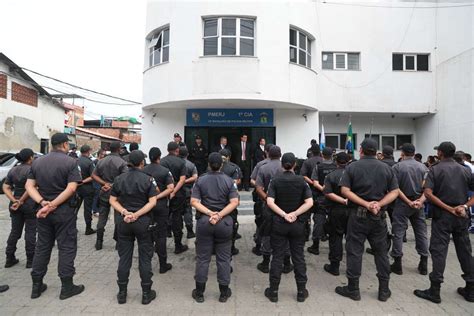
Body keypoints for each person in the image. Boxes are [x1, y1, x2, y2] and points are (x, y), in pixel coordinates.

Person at [336, 138, 399, 302]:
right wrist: (378, 204)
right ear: (375, 151)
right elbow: (395, 192)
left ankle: (353, 289)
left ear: (361, 150)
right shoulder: (386, 168)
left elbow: (344, 190)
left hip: (358, 215)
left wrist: (366, 203)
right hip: (378, 217)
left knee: (355, 251)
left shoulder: (352, 167)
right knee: (381, 253)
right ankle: (384, 290)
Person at [25, 133, 85, 300]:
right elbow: (72, 188)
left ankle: (36, 286)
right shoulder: (71, 162)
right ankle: (67, 287)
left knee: (43, 246)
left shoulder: (37, 162)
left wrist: (43, 202)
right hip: (63, 211)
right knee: (66, 246)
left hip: (42, 211)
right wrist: (53, 205)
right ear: (65, 145)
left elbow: (29, 186)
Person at [414, 141, 474, 303]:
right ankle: (471, 288)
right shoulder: (465, 170)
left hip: (443, 217)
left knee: (439, 251)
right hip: (461, 216)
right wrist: (464, 206)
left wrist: (449, 208)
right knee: (465, 250)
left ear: (440, 153)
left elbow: (428, 193)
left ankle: (435, 290)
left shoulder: (435, 169)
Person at [109, 150, 158, 305]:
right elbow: (152, 202)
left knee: (124, 258)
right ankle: (145, 293)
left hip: (124, 222)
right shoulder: (148, 180)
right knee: (145, 258)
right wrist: (137, 214)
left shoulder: (119, 179)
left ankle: (122, 293)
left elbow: (112, 200)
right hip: (143, 222)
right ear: (142, 163)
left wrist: (125, 212)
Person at [264, 152, 313, 303]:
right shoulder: (301, 181)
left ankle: (273, 291)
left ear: (281, 164)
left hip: (279, 224)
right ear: (295, 165)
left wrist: (284, 214)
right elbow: (310, 202)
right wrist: (295, 214)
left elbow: (270, 202)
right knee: (298, 257)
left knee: (277, 256)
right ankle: (301, 291)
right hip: (297, 225)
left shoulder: (275, 181)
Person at [190, 152, 239, 303]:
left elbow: (194, 201)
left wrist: (210, 213)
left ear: (209, 164)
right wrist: (219, 215)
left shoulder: (200, 180)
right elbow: (234, 202)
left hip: (205, 222)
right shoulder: (229, 181)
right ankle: (224, 293)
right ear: (222, 165)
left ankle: (199, 293)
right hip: (224, 224)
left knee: (203, 259)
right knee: (224, 259)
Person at [390, 143, 429, 276]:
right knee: (421, 232)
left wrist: (408, 201)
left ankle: (397, 263)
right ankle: (424, 262)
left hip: (402, 202)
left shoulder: (397, 167)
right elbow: (428, 188)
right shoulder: (423, 167)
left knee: (398, 232)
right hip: (418, 203)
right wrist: (420, 201)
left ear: (402, 153)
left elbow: (395, 188)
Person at [255, 146, 293, 274]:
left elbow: (258, 187)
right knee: (286, 234)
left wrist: (267, 199)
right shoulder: (288, 169)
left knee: (267, 233)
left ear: (268, 154)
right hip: (286, 205)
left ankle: (266, 263)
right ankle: (287, 264)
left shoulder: (263, 168)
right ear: (280, 155)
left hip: (269, 207)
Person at [3, 148, 36, 268]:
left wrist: (14, 200)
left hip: (15, 204)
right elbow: (30, 188)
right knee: (31, 231)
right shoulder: (32, 170)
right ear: (30, 157)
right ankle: (30, 260)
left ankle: (9, 257)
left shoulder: (13, 170)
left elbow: (6, 187)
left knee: (15, 231)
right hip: (29, 203)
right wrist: (21, 201)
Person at [92, 141, 128, 250]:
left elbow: (93, 175)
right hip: (117, 194)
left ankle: (99, 241)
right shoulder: (122, 162)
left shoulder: (101, 161)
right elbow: (124, 178)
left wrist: (104, 183)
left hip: (104, 191)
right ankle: (118, 242)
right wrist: (112, 185)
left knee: (102, 217)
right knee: (118, 218)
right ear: (119, 149)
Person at [144, 147, 174, 274]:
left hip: (146, 207)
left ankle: (147, 266)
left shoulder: (143, 170)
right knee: (161, 235)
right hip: (161, 206)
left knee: (148, 235)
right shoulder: (165, 171)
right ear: (159, 157)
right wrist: (158, 196)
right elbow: (171, 188)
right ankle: (163, 265)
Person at [322, 152, 350, 276]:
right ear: (348, 161)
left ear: (336, 162)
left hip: (336, 211)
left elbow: (327, 192)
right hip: (352, 210)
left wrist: (342, 201)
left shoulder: (331, 175)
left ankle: (335, 266)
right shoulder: (353, 175)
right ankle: (352, 266)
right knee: (352, 239)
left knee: (335, 238)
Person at [161, 142, 188, 254]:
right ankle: (178, 245)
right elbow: (182, 180)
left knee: (162, 217)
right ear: (177, 150)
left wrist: (168, 191)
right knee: (177, 217)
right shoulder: (181, 162)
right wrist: (174, 191)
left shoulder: (161, 161)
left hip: (164, 193)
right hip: (178, 194)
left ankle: (159, 245)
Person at [309, 147, 337, 255]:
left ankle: (315, 246)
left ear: (322, 154)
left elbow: (315, 183)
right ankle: (333, 245)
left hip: (321, 197)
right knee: (334, 220)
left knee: (318, 221)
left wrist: (325, 191)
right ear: (332, 155)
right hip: (335, 198)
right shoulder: (336, 166)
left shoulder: (318, 167)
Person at [299, 145, 323, 255]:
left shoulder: (307, 162)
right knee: (319, 218)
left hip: (309, 191)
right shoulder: (325, 161)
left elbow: (303, 175)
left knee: (306, 216)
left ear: (311, 152)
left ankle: (305, 236)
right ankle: (318, 240)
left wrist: (313, 182)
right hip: (323, 193)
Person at [250, 143, 272, 255]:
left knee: (261, 223)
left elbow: (252, 180)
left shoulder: (261, 165)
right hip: (272, 200)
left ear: (266, 152)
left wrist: (260, 187)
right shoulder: (261, 164)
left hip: (263, 198)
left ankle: (259, 246)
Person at [219, 149, 243, 255]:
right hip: (229, 200)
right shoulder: (234, 167)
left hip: (216, 201)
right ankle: (231, 247)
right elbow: (237, 181)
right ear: (229, 156)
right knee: (232, 223)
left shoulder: (210, 167)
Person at [76, 145, 96, 235]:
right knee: (87, 209)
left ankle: (72, 227)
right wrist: (83, 181)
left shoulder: (75, 161)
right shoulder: (89, 162)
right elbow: (93, 176)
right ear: (88, 151)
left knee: (75, 208)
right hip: (87, 188)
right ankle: (88, 228)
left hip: (76, 188)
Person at [180, 146, 198, 239]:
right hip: (187, 190)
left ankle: (170, 230)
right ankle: (189, 231)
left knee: (175, 211)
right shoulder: (191, 165)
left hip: (175, 190)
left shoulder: (175, 163)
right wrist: (185, 181)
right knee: (187, 210)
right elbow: (195, 177)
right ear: (187, 154)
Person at [91, 148, 106, 216]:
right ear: (99, 154)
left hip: (101, 181)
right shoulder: (95, 161)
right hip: (96, 181)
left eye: (104, 154)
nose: (103, 155)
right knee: (96, 196)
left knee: (99, 196)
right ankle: (94, 210)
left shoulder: (103, 161)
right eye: (103, 154)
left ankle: (97, 209)